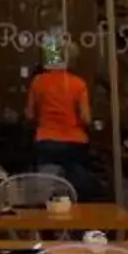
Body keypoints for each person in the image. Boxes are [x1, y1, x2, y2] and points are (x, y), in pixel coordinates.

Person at [26, 36, 97, 194]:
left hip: (46, 141)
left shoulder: (38, 82)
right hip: (75, 143)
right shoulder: (78, 84)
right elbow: (86, 118)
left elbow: (30, 115)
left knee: (45, 190)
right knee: (77, 188)